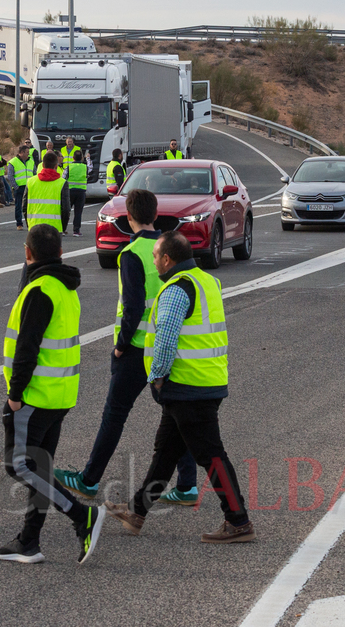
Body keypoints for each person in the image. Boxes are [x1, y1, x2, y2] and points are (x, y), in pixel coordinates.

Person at [105, 231, 255, 545]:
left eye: (156, 257)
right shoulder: (205, 281)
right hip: (205, 380)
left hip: (187, 385)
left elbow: (166, 339)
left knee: (211, 456)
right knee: (166, 451)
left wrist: (156, 376)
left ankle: (238, 520)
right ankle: (137, 511)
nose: (155, 262)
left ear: (167, 259)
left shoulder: (176, 289)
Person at [54, 190, 199, 505]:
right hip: (168, 346)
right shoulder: (171, 247)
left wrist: (120, 346)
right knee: (177, 416)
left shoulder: (131, 253)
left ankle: (90, 479)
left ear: (128, 217)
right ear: (156, 213)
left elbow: (132, 307)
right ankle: (188, 485)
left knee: (115, 414)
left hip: (136, 348)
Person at [0, 224, 105, 564]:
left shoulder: (40, 290)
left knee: (18, 464)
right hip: (60, 394)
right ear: (60, 253)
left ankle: (81, 516)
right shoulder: (66, 289)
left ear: (28, 254)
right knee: (40, 469)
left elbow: (27, 348)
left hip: (35, 395)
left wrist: (14, 394)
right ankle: (28, 541)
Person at [25, 151, 70, 233]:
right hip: (55, 227)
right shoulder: (62, 183)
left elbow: (24, 206)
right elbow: (66, 209)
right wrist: (63, 227)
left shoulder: (30, 182)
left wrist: (29, 224)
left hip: (34, 227)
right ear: (56, 166)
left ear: (42, 165)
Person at [9, 145, 35, 230]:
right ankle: (19, 224)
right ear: (22, 152)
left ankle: (30, 223)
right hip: (19, 188)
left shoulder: (31, 161)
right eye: (27, 152)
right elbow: (10, 176)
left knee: (30, 207)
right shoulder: (13, 162)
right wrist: (15, 187)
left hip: (30, 187)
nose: (28, 154)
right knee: (19, 206)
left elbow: (35, 174)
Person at [67, 148, 88, 237]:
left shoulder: (69, 167)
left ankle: (63, 229)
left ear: (73, 158)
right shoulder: (85, 167)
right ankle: (76, 230)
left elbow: (64, 177)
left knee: (66, 211)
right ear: (82, 158)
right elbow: (90, 169)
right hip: (81, 192)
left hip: (70, 191)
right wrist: (88, 159)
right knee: (78, 212)